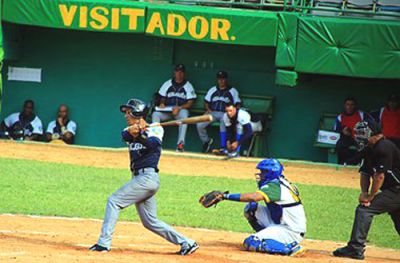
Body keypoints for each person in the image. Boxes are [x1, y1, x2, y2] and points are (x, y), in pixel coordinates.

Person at [90, 99, 198, 255]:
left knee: (114, 201)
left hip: (147, 178)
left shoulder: (156, 128)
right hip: (138, 179)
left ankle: (103, 244)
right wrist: (135, 131)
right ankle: (187, 242)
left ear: (137, 113)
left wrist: (141, 135)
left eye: (129, 112)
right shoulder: (131, 128)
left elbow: (152, 145)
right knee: (150, 221)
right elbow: (125, 135)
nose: (126, 115)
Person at [201, 159, 306, 256]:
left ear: (271, 172)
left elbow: (254, 197)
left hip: (290, 230)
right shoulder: (279, 182)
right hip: (280, 221)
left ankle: (290, 248)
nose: (260, 175)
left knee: (252, 242)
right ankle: (268, 237)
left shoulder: (275, 186)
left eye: (263, 172)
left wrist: (225, 196)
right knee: (252, 209)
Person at [333, 121, 400, 260]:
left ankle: (355, 248)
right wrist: (364, 192)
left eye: (362, 133)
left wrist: (370, 196)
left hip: (397, 191)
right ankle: (354, 248)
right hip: (393, 191)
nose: (358, 136)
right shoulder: (369, 148)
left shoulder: (384, 147)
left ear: (373, 133)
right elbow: (365, 172)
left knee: (364, 209)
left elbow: (379, 175)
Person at [152, 64, 196, 152]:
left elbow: (190, 102)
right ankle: (154, 142)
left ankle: (180, 144)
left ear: (184, 73)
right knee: (155, 114)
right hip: (167, 111)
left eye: (181, 72)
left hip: (180, 112)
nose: (179, 73)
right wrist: (162, 104)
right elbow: (162, 97)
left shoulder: (188, 86)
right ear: (174, 72)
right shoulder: (167, 84)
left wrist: (179, 108)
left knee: (185, 116)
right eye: (177, 71)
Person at [196, 70, 241, 153]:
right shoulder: (213, 90)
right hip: (213, 113)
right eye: (219, 79)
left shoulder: (232, 91)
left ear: (226, 79)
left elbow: (237, 104)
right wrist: (208, 110)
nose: (221, 80)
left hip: (225, 114)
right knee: (200, 124)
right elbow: (206, 102)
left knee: (223, 123)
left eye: (223, 78)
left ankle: (223, 147)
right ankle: (206, 141)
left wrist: (232, 114)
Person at [334, 97, 366, 165]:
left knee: (365, 148)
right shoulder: (340, 117)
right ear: (344, 106)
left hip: (359, 136)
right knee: (339, 146)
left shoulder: (361, 114)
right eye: (348, 104)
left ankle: (351, 162)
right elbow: (336, 129)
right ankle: (343, 163)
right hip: (347, 137)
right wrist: (343, 131)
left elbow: (369, 124)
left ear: (355, 106)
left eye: (352, 104)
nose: (349, 107)